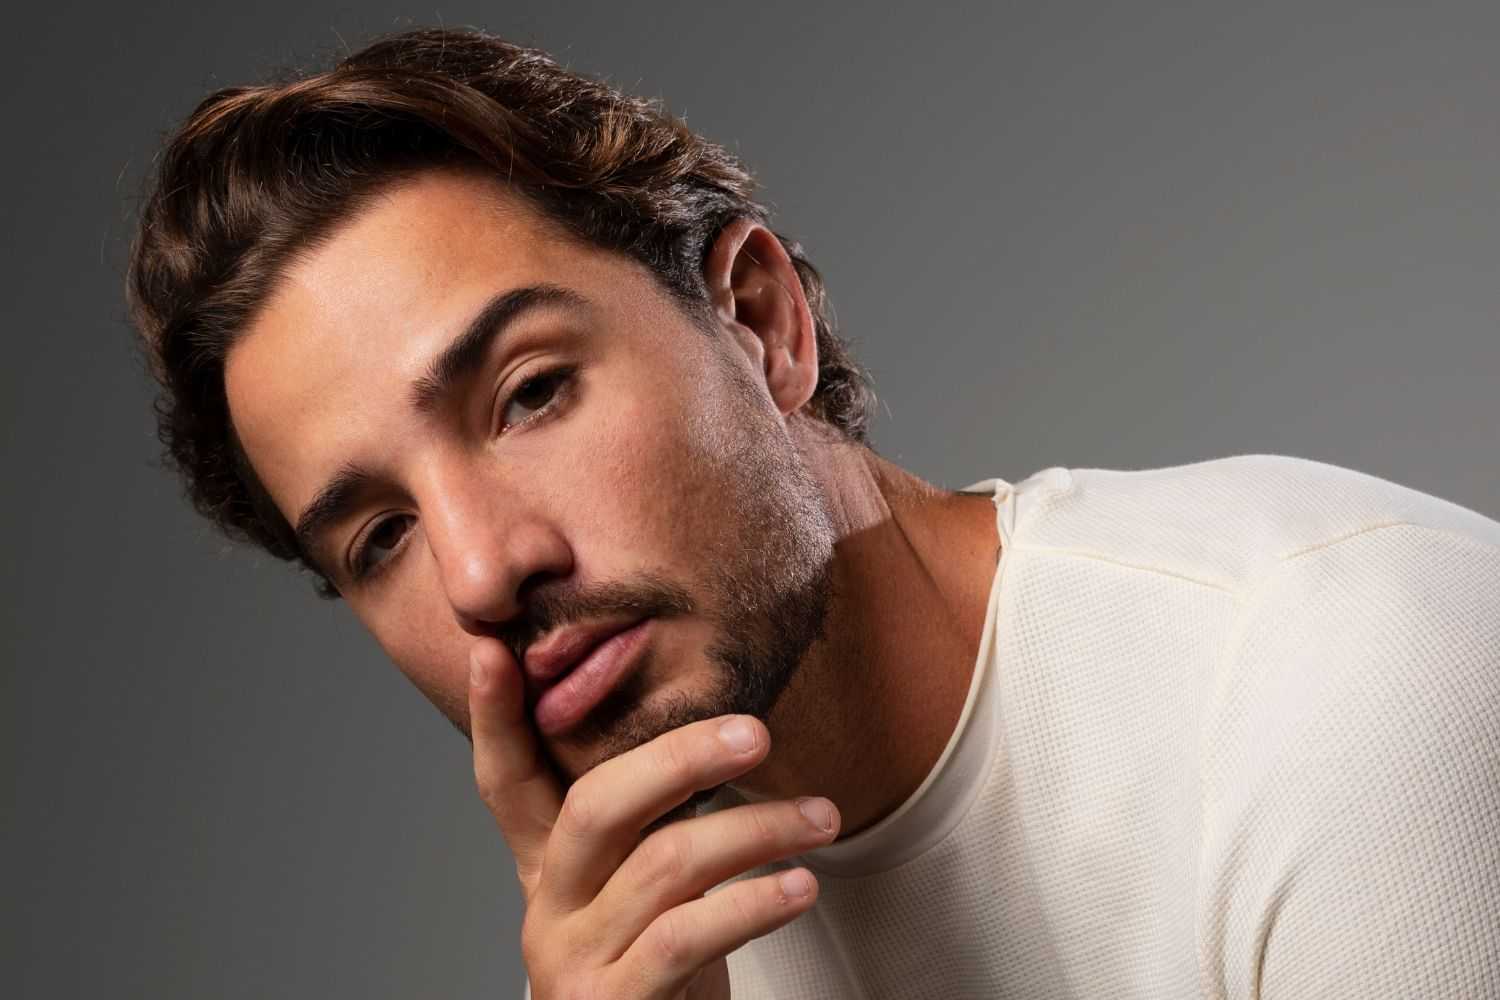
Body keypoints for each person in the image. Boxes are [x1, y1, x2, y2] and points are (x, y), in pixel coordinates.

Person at [125, 26, 1499, 1000]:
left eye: (531, 394)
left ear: (761, 321)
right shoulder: (651, 968)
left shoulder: (1343, 691)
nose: (484, 570)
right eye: (380, 538)